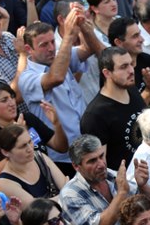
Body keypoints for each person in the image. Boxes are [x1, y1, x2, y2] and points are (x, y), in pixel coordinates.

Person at [18, 12, 104, 165]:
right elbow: (56, 77)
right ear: (28, 49)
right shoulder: (27, 78)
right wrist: (69, 36)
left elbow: (89, 49)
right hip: (63, 158)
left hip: (90, 146)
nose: (51, 48)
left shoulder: (59, 55)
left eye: (52, 42)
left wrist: (83, 26)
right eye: (43, 45)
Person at [60, 134, 149, 225]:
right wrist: (121, 193)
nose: (101, 164)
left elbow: (146, 208)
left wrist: (143, 185)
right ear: (76, 166)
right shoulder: (71, 194)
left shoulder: (112, 176)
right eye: (92, 161)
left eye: (101, 156)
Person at [80, 46, 149, 171]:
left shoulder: (131, 90)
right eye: (123, 67)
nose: (131, 70)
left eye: (131, 64)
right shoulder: (95, 115)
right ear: (107, 73)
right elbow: (100, 166)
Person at [0, 83, 66, 166]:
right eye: (4, 100)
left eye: (12, 97)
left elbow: (61, 147)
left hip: (48, 173)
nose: (12, 103)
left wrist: (57, 124)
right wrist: (17, 136)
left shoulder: (27, 118)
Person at [0, 124, 67, 205]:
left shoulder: (40, 157)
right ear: (5, 152)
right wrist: (66, 195)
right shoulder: (4, 183)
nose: (30, 149)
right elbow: (37, 208)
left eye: (30, 141)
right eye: (23, 146)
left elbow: (67, 187)